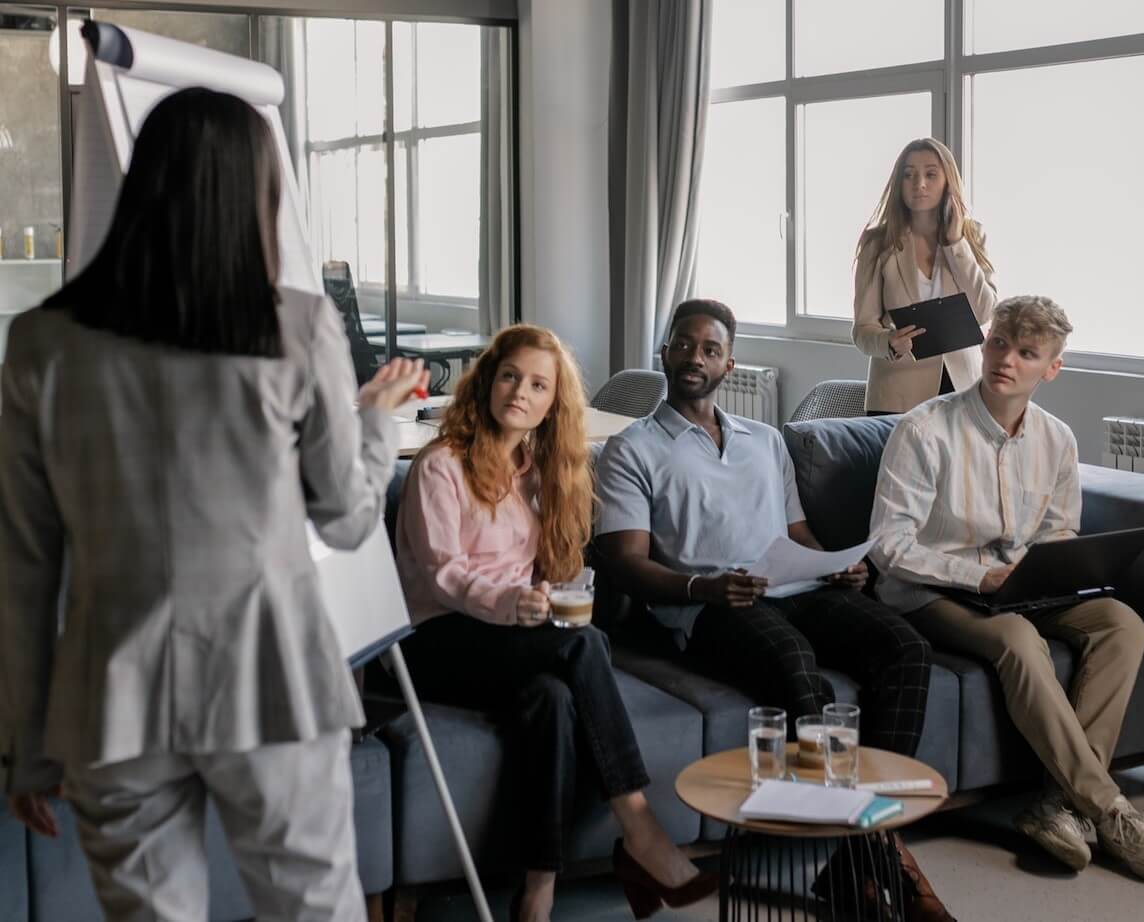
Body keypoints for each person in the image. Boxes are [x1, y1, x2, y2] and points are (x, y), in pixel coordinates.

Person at [0, 88, 428, 921]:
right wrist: (376, 422)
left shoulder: (40, 342)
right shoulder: (297, 325)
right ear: (259, 192)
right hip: (270, 676)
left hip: (110, 692)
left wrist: (23, 744)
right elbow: (344, 518)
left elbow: (22, 561)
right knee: (312, 909)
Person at [594, 298, 955, 922]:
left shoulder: (765, 441)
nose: (694, 358)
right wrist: (699, 590)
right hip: (706, 607)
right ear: (664, 352)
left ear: (729, 364)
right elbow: (623, 561)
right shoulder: (632, 448)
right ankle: (880, 858)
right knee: (795, 660)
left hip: (794, 589)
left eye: (709, 349)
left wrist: (838, 564)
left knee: (905, 646)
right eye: (683, 345)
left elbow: (799, 535)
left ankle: (854, 862)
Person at [394, 324, 716, 922]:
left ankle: (537, 889)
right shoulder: (441, 465)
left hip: (508, 638)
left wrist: (546, 595)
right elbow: (442, 574)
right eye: (511, 375)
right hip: (435, 638)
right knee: (583, 647)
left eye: (538, 385)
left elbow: (553, 569)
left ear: (551, 404)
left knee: (552, 699)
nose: (520, 391)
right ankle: (641, 830)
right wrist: (514, 604)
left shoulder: (543, 474)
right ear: (488, 381)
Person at [869, 295, 1144, 882]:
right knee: (1017, 637)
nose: (1006, 361)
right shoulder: (923, 430)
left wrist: (1054, 568)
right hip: (934, 591)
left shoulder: (1058, 439)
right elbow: (889, 546)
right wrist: (980, 575)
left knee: (1123, 623)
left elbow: (1060, 528)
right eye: (998, 344)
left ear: (1052, 368)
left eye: (1026, 353)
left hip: (1022, 585)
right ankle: (1108, 807)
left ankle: (1054, 805)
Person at [853, 138, 997, 415]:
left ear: (948, 181)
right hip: (896, 395)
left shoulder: (972, 236)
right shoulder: (877, 242)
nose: (919, 183)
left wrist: (955, 244)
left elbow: (983, 312)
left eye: (931, 174)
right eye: (909, 175)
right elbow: (862, 330)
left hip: (962, 392)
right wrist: (889, 342)